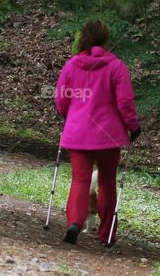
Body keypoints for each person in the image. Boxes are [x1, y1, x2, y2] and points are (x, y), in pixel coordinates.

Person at [54, 19, 141, 246]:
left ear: (83, 37)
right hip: (108, 135)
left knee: (80, 180)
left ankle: (74, 222)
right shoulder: (116, 66)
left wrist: (68, 115)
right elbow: (125, 101)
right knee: (106, 182)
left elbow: (62, 99)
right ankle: (107, 233)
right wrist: (133, 127)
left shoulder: (72, 66)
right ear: (106, 38)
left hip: (78, 132)